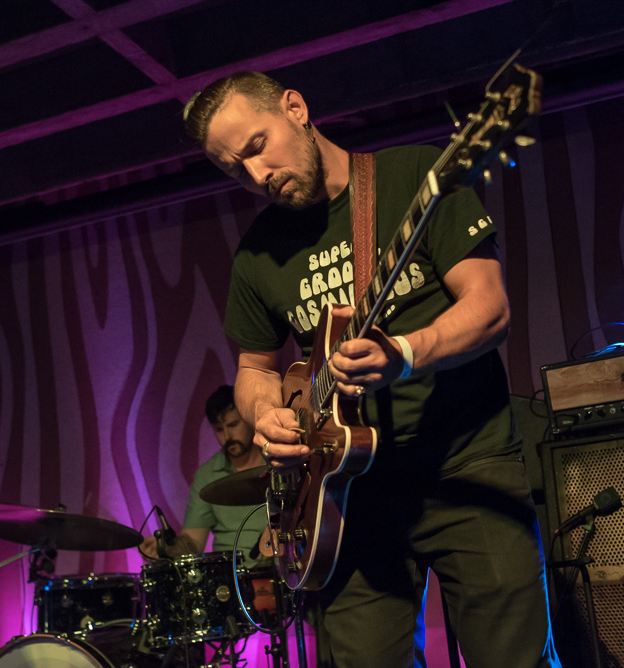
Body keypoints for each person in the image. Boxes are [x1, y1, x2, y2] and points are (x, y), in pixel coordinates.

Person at [183, 71, 560, 667]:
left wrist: (404, 354)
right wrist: (266, 415)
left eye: (257, 147)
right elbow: (254, 368)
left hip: (467, 463)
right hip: (348, 496)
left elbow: (490, 309)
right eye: (236, 170)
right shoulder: (257, 254)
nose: (257, 177)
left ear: (296, 108)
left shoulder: (416, 178)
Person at [139, 385, 273, 567]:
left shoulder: (277, 460)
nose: (227, 436)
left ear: (249, 420)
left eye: (233, 425)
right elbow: (192, 543)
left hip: (281, 570)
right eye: (219, 429)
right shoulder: (207, 475)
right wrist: (164, 548)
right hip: (230, 577)